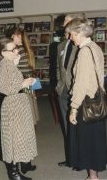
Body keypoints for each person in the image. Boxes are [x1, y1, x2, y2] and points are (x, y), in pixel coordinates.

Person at [65, 18, 107, 180]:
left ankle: (93, 178)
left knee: (87, 140)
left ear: (80, 33)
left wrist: (74, 108)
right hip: (96, 99)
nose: (70, 38)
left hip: (86, 102)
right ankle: (93, 175)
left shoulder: (83, 52)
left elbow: (81, 83)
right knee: (95, 139)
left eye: (72, 34)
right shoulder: (95, 47)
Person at [0, 38, 38, 180]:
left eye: (16, 48)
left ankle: (24, 165)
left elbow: (12, 80)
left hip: (18, 103)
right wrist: (23, 83)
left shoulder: (9, 63)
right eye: (12, 49)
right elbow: (4, 88)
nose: (17, 51)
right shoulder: (4, 65)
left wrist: (16, 64)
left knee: (22, 137)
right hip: (13, 106)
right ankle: (13, 174)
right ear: (3, 52)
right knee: (13, 139)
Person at [56, 13, 85, 166]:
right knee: (67, 126)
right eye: (65, 24)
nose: (65, 27)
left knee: (79, 125)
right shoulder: (61, 45)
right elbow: (58, 68)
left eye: (69, 23)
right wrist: (58, 85)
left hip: (77, 91)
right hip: (63, 91)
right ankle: (71, 158)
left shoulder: (81, 44)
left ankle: (81, 158)